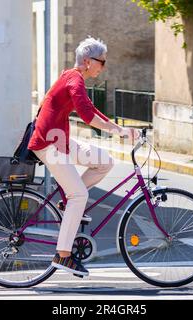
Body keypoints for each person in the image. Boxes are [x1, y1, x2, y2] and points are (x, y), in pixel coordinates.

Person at [28, 36, 140, 277]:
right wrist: (118, 130)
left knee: (105, 161)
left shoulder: (73, 77)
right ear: (88, 62)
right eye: (102, 62)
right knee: (80, 194)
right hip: (49, 143)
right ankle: (63, 256)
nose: (103, 66)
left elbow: (90, 108)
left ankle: (67, 202)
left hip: (61, 141)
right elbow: (88, 116)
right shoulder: (74, 79)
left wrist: (117, 129)